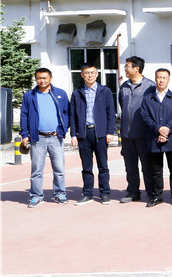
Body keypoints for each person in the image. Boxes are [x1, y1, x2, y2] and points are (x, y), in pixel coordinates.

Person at [20, 68, 70, 207]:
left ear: (50, 78)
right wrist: (24, 135)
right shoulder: (30, 95)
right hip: (37, 138)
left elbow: (67, 112)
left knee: (59, 169)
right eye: (39, 78)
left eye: (44, 78)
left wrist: (63, 129)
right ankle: (36, 196)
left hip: (56, 137)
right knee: (36, 170)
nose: (42, 80)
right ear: (36, 79)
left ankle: (60, 194)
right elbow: (24, 115)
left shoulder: (60, 94)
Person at [69, 62, 116, 205]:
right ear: (82, 75)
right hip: (83, 134)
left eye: (92, 73)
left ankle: (104, 193)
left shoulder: (105, 91)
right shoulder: (77, 93)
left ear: (97, 74)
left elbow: (110, 113)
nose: (89, 75)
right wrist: (73, 134)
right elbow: (72, 116)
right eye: (86, 73)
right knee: (86, 167)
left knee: (103, 165)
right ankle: (88, 194)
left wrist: (110, 132)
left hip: (100, 133)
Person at [139, 68, 172, 207]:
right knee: (156, 171)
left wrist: (167, 129)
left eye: (164, 77)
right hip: (154, 139)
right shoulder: (147, 98)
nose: (161, 80)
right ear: (155, 79)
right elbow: (145, 116)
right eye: (159, 77)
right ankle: (157, 196)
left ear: (168, 80)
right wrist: (158, 128)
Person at [118, 56, 155, 204]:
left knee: (147, 166)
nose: (125, 69)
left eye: (127, 66)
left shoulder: (150, 86)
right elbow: (122, 104)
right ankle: (133, 192)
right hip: (127, 135)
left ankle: (151, 193)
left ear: (136, 68)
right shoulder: (124, 86)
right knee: (130, 167)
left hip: (144, 135)